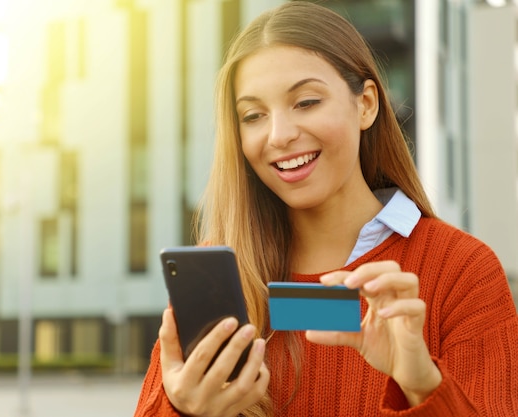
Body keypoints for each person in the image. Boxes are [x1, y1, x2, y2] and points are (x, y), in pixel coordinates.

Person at [134, 2, 518, 416]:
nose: (279, 135)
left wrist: (422, 384)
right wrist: (182, 410)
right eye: (253, 115)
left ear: (366, 105)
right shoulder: (217, 281)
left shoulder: (462, 271)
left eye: (306, 102)